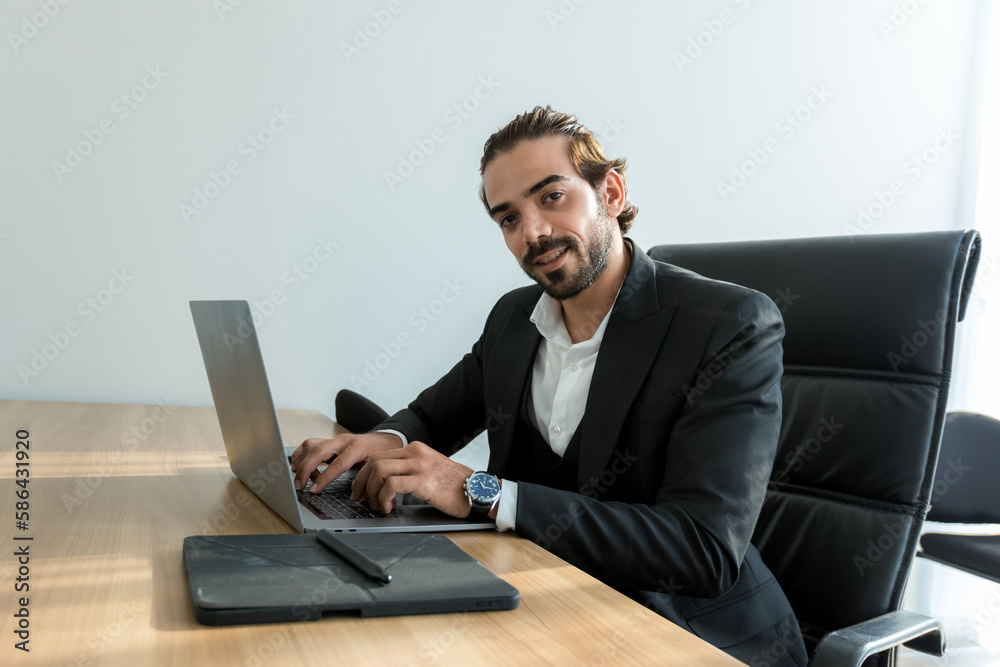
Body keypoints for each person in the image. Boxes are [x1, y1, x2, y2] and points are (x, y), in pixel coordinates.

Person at [292, 106, 808, 666]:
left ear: (610, 193)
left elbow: (701, 552)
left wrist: (481, 492)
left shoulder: (728, 324)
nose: (532, 232)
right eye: (508, 218)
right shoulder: (515, 319)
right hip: (545, 607)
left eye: (551, 197)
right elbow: (433, 418)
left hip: (687, 637)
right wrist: (385, 440)